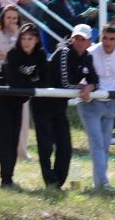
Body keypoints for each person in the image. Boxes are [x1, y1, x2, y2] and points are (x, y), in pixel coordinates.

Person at [42, 24, 99, 189]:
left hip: (59, 105)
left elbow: (95, 80)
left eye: (83, 39)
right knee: (46, 146)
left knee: (65, 146)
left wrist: (89, 87)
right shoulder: (63, 52)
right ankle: (50, 182)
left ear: (89, 42)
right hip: (44, 103)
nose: (79, 42)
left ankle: (58, 183)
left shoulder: (87, 57)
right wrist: (82, 88)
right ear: (72, 39)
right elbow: (65, 83)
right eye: (76, 38)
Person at [0, 20, 49, 188]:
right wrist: (32, 81)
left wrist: (31, 82)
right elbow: (14, 81)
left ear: (37, 40)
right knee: (5, 139)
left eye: (30, 38)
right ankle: (6, 179)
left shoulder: (40, 55)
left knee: (14, 139)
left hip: (19, 100)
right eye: (23, 38)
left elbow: (44, 79)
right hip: (3, 98)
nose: (26, 42)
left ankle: (9, 177)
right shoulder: (13, 54)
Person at [81, 24, 115, 189]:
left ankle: (99, 182)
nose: (107, 42)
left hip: (111, 101)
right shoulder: (91, 53)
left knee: (105, 142)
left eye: (112, 39)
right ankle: (103, 181)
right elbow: (84, 77)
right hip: (91, 102)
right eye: (105, 38)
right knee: (97, 142)